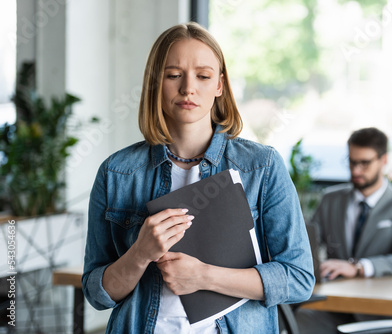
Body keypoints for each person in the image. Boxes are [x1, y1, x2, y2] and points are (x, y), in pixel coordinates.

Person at [82, 22, 314, 334]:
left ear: (220, 85)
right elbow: (97, 294)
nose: (188, 88)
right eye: (173, 75)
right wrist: (139, 254)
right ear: (155, 82)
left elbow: (298, 279)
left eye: (203, 76)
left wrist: (205, 277)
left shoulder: (261, 167)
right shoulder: (116, 173)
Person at [296, 127, 392, 334]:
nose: (356, 171)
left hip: (385, 309)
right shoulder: (331, 199)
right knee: (297, 319)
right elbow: (306, 245)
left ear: (383, 160)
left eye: (364, 163)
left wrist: (359, 267)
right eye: (351, 162)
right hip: (335, 307)